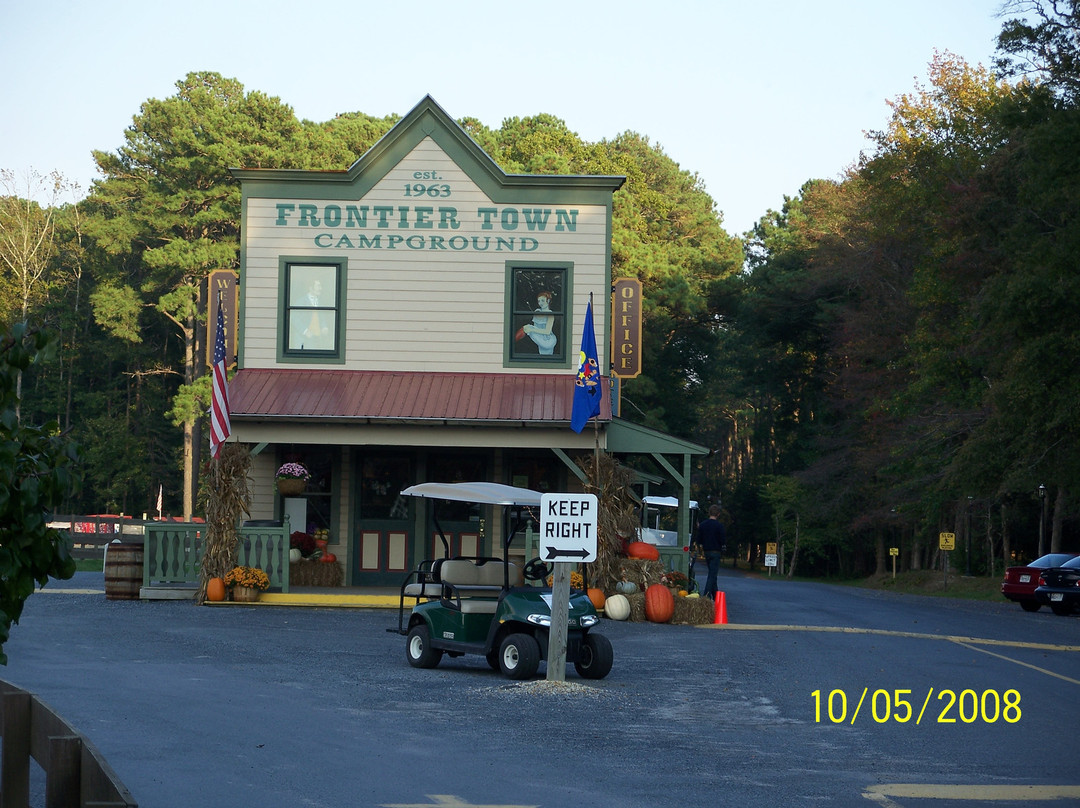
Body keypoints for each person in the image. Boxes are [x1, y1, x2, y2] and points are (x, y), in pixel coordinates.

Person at [696, 504, 726, 601]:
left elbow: (699, 540)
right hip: (716, 551)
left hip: (707, 551)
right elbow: (723, 540)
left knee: (712, 574)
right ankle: (706, 596)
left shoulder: (703, 525)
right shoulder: (719, 526)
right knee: (712, 575)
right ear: (718, 514)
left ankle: (716, 596)